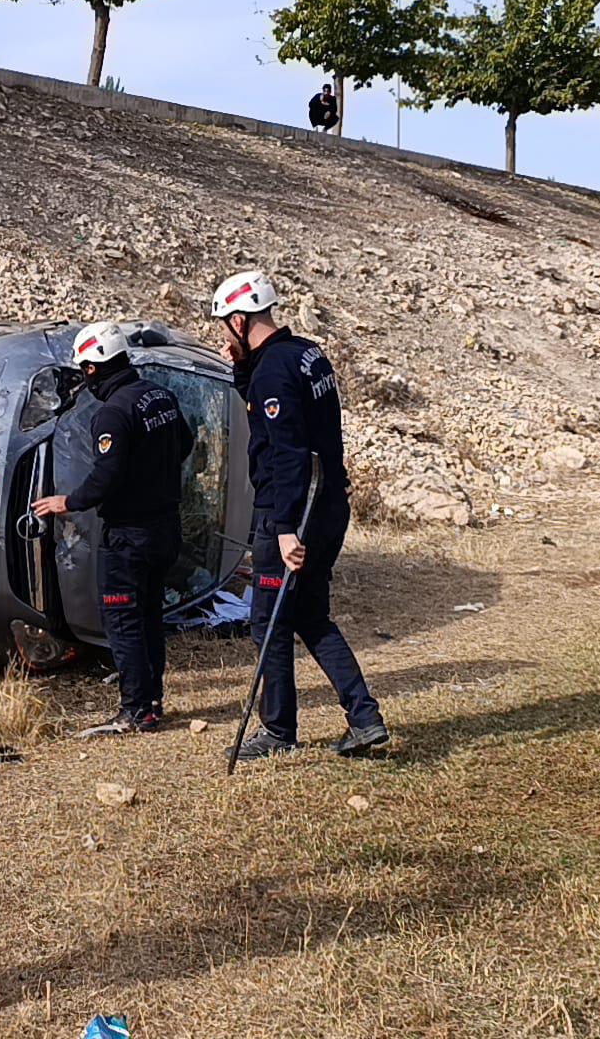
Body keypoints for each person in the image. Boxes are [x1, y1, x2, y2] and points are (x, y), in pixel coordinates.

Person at [210, 270, 391, 762]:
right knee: (310, 615)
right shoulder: (305, 354)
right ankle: (364, 717)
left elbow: (287, 452)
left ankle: (277, 731)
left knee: (268, 621)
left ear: (240, 320)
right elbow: (278, 413)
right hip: (330, 504)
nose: (225, 337)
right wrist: (241, 369)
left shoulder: (272, 372)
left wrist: (286, 529)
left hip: (291, 514)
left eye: (226, 328)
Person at [31, 321, 195, 736]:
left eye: (85, 368)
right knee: (149, 616)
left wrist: (66, 501)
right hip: (164, 530)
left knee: (122, 620)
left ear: (92, 368)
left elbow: (106, 478)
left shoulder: (112, 413)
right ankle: (151, 700)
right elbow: (187, 445)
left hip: (129, 537)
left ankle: (137, 710)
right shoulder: (161, 397)